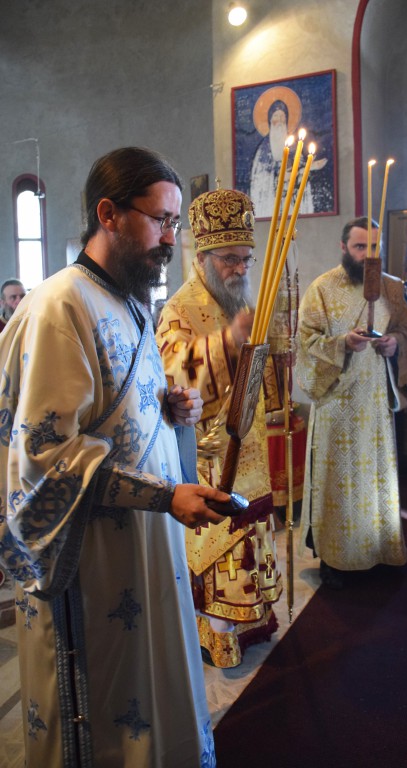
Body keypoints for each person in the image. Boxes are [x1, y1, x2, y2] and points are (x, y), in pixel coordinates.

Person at [0, 146, 232, 767]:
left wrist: (171, 409)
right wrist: (165, 495)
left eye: (175, 223)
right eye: (160, 220)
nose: (170, 239)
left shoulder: (129, 300)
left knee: (152, 685)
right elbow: (46, 452)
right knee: (109, 709)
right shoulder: (58, 307)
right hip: (93, 557)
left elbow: (118, 411)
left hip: (148, 543)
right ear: (109, 214)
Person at [156, 187, 283, 668]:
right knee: (221, 552)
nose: (240, 269)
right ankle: (219, 640)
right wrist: (228, 342)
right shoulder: (179, 309)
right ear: (202, 257)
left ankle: (253, 623)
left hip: (249, 452)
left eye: (246, 259)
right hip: (209, 459)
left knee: (252, 545)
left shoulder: (238, 301)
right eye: (230, 259)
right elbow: (174, 381)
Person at [295, 216, 407, 589]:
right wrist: (342, 343)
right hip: (336, 402)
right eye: (360, 246)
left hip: (375, 403)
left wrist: (395, 343)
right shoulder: (322, 288)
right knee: (339, 483)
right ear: (344, 248)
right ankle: (335, 559)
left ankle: (380, 550)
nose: (368, 255)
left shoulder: (391, 288)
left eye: (374, 247)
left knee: (376, 480)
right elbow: (305, 342)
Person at [249, 97, 326, 218]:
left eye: (282, 116)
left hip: (291, 199)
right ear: (270, 119)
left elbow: (299, 171)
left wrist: (308, 168)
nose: (280, 120)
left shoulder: (294, 145)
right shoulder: (264, 148)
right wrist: (279, 176)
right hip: (271, 199)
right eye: (276, 116)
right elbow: (260, 177)